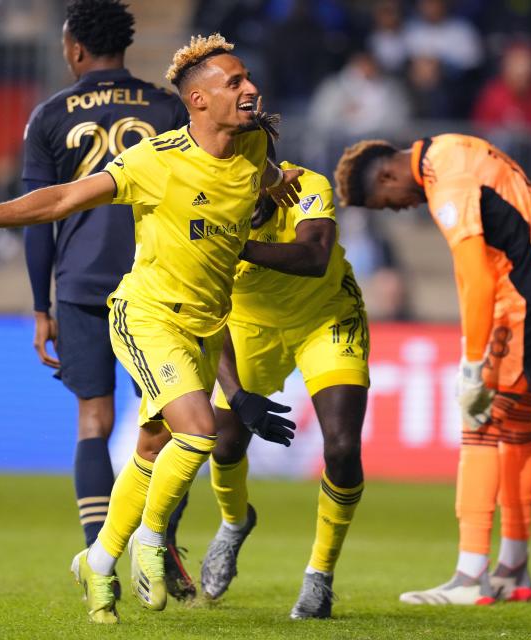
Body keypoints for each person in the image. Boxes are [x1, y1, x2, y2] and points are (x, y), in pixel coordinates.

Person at [0, 33, 304, 624]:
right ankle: (151, 539)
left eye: (247, 78)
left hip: (204, 324)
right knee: (196, 434)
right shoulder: (156, 160)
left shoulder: (251, 147)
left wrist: (276, 184)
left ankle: (97, 561)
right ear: (197, 101)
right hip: (146, 315)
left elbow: (265, 171)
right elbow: (65, 196)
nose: (250, 88)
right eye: (234, 83)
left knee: (152, 447)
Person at [333, 135, 531, 605]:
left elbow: (476, 275)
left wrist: (472, 364)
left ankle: (471, 575)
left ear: (388, 176)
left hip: (528, 298)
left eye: (385, 203)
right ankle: (513, 568)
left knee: (479, 422)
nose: (396, 209)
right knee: (515, 428)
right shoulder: (453, 147)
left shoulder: (445, 176)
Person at [20, 0, 195, 600]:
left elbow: (38, 218)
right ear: (123, 45)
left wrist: (41, 307)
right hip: (158, 285)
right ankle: (160, 544)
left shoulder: (48, 115)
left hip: (82, 284)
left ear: (74, 48)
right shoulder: (170, 108)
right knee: (177, 424)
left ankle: (102, 556)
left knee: (94, 421)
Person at [189, 161, 369, 619]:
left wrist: (236, 246)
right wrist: (238, 394)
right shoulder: (198, 206)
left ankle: (320, 576)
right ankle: (234, 522)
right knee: (225, 443)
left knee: (344, 448)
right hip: (247, 326)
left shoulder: (305, 184)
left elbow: (314, 257)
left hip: (325, 315)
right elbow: (208, 317)